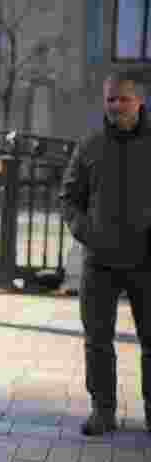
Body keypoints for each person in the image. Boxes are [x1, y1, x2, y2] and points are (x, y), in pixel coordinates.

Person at [61, 70, 151, 436]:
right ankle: (103, 409)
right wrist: (88, 233)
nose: (116, 105)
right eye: (111, 98)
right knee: (97, 340)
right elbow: (69, 198)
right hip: (100, 261)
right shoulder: (90, 146)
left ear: (140, 101)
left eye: (124, 98)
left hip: (148, 260)